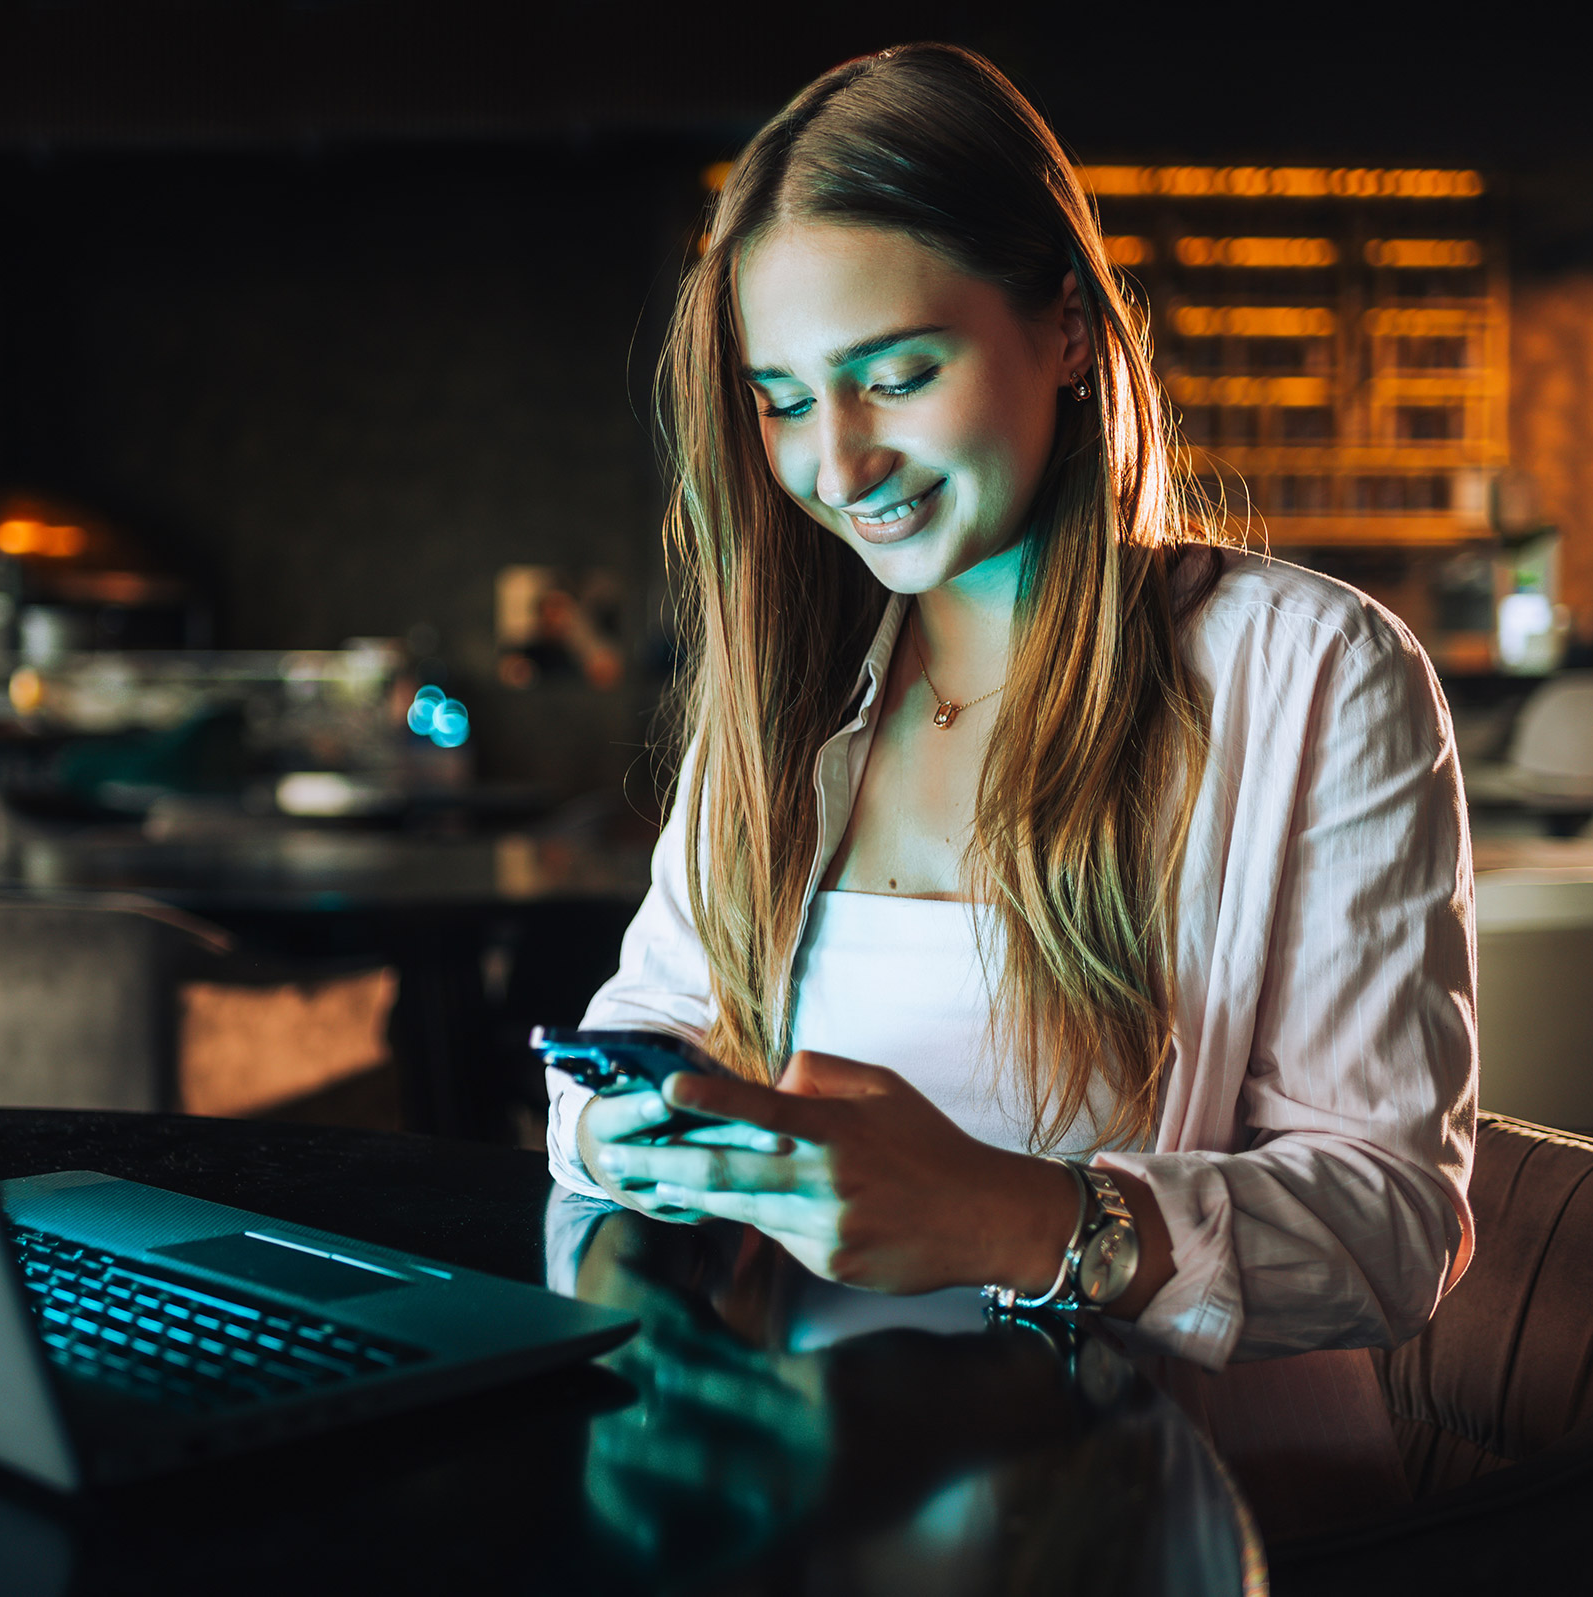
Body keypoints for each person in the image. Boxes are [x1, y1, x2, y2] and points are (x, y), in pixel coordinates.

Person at [545, 40, 1477, 1430]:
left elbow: (1395, 1223)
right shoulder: (789, 687)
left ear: (1069, 334)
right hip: (813, 1466)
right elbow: (644, 1026)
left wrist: (1022, 1215)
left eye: (897, 373)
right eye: (785, 399)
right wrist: (626, 1127)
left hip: (1169, 1497)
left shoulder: (1314, 670)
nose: (839, 465)